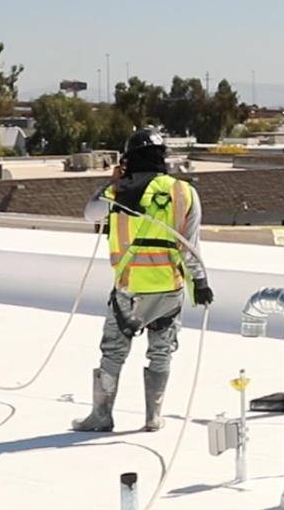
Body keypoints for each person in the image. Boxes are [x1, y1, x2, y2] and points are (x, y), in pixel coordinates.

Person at [72, 128, 211, 433]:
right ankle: (153, 417)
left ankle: (101, 415)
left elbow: (89, 214)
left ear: (128, 158)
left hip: (129, 289)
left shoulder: (118, 191)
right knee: (161, 352)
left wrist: (113, 181)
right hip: (169, 289)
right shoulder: (184, 192)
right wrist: (199, 283)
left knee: (113, 352)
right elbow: (190, 246)